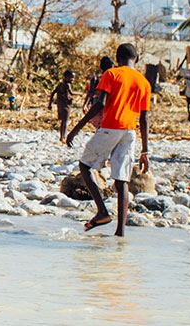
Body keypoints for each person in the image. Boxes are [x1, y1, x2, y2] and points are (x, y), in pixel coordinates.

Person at [66, 44, 150, 238]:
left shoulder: (112, 74)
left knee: (85, 165)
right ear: (135, 59)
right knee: (122, 179)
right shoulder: (144, 81)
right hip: (130, 132)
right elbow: (144, 118)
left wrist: (76, 128)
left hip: (111, 127)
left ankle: (102, 211)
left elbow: (100, 104)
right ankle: (120, 233)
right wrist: (145, 151)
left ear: (117, 58)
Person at [84, 57, 114, 129]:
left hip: (97, 105)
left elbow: (90, 92)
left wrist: (86, 104)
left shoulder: (96, 78)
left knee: (100, 127)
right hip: (109, 105)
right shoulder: (114, 78)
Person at [49, 70, 75, 144]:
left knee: (63, 121)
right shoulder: (67, 85)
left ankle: (62, 137)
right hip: (66, 105)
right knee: (66, 121)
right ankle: (63, 137)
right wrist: (80, 93)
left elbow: (52, 93)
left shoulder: (60, 84)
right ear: (66, 77)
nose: (72, 80)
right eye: (71, 78)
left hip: (60, 104)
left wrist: (50, 104)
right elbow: (71, 93)